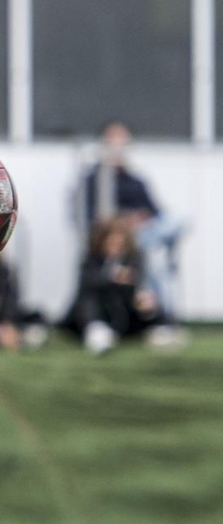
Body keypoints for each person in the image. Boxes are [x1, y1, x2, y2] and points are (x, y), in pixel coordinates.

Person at [79, 121, 182, 343]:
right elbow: (92, 217)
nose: (118, 146)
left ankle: (156, 313)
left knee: (173, 226)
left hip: (140, 238)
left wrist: (138, 222)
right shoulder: (95, 179)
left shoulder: (136, 180)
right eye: (112, 141)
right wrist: (124, 222)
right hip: (112, 236)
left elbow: (156, 213)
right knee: (153, 258)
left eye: (122, 141)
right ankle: (161, 319)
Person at [63, 218, 167, 355]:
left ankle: (158, 329)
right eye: (111, 243)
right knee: (89, 298)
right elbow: (86, 283)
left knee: (147, 300)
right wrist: (112, 278)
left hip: (125, 313)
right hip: (95, 312)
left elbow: (140, 286)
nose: (115, 247)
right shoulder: (91, 258)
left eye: (119, 244)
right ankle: (97, 331)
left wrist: (144, 300)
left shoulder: (135, 258)